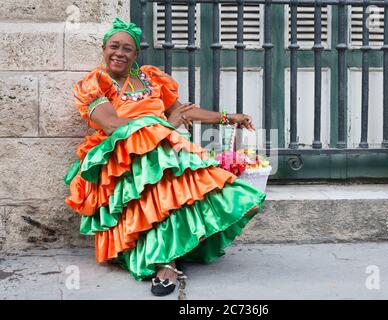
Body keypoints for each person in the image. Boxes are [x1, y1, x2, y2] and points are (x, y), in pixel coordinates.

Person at [64, 17, 266, 297]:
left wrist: (227, 117)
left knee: (178, 178)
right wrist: (163, 124)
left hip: (162, 145)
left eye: (127, 49)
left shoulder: (150, 78)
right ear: (103, 47)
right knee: (160, 171)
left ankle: (169, 253)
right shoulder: (95, 83)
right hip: (119, 155)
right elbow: (110, 124)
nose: (119, 53)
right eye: (114, 46)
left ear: (136, 55)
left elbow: (182, 111)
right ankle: (165, 262)